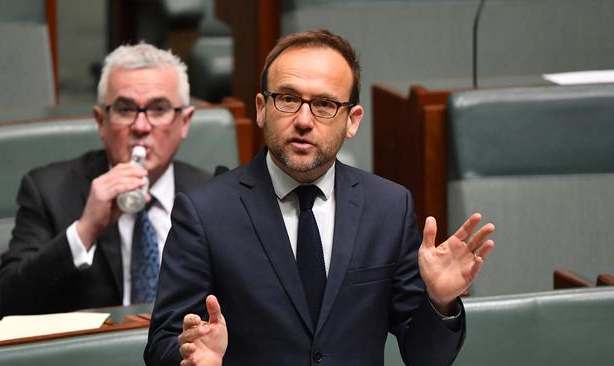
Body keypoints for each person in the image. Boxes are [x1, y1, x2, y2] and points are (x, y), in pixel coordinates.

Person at [145, 30, 495, 366]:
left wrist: (439, 301)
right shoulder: (204, 212)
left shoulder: (388, 207)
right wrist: (193, 358)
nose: (303, 120)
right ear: (261, 108)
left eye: (325, 104)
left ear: (352, 121)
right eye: (288, 98)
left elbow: (425, 357)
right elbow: (163, 342)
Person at [0, 43, 212, 318]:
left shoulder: (212, 195)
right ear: (100, 121)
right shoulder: (49, 191)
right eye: (125, 110)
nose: (141, 127)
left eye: (159, 109)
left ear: (185, 122)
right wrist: (85, 230)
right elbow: (4, 303)